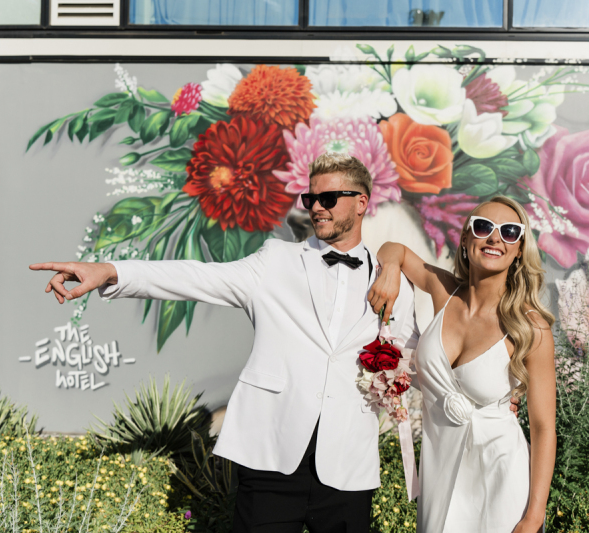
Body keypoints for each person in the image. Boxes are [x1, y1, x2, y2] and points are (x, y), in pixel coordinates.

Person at [30, 153, 423, 533]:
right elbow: (197, 277)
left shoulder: (391, 281)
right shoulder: (276, 261)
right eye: (310, 198)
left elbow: (414, 355)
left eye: (328, 199)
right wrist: (111, 271)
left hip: (347, 464)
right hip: (271, 456)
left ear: (361, 202)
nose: (316, 208)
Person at [368, 196, 556, 533]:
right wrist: (391, 271)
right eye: (483, 227)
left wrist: (534, 516)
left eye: (510, 232)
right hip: (440, 472)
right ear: (466, 241)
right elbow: (392, 248)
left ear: (518, 250)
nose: (495, 238)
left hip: (501, 479)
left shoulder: (530, 327)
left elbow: (543, 428)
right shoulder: (445, 292)